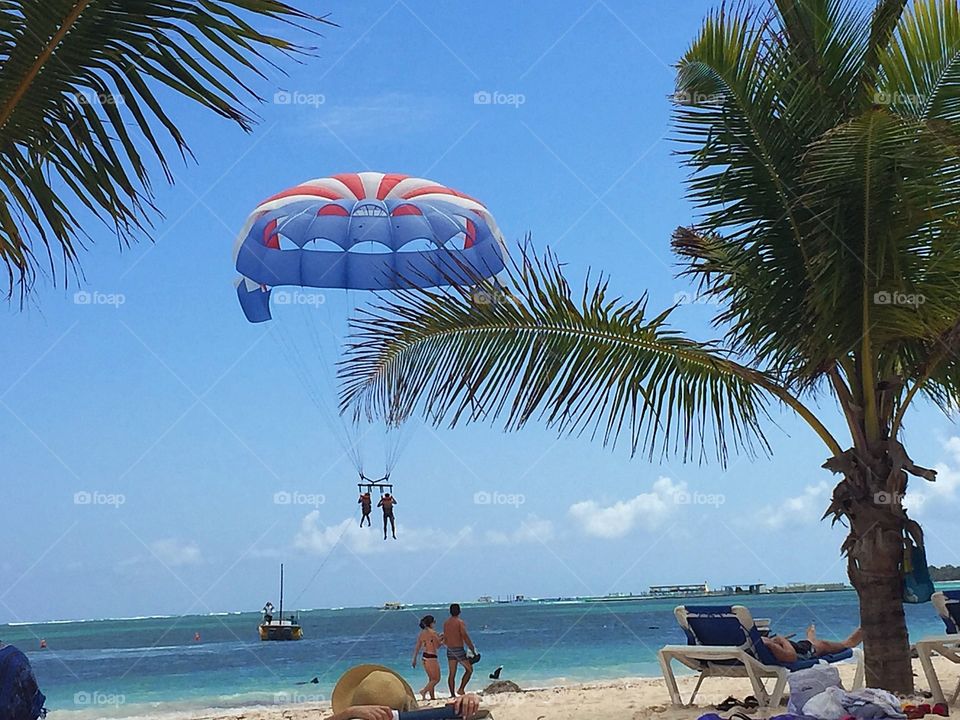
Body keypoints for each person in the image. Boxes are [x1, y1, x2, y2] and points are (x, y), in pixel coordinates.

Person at [762, 623, 863, 663]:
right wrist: (782, 640)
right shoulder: (769, 645)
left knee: (808, 644)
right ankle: (847, 644)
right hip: (804, 653)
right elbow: (791, 657)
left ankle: (810, 639)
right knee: (822, 645)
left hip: (799, 648)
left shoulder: (758, 645)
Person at [443, 603, 476, 697]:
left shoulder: (446, 623)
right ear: (459, 611)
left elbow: (446, 637)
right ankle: (461, 689)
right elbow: (464, 636)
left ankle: (452, 694)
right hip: (459, 649)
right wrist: (471, 648)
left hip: (450, 650)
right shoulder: (460, 622)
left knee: (452, 674)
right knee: (469, 670)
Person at [412, 614, 443, 700]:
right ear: (431, 623)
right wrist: (443, 639)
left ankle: (432, 697)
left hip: (424, 657)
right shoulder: (433, 633)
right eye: (434, 622)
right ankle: (424, 691)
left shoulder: (422, 633)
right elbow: (437, 646)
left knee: (431, 679)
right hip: (431, 657)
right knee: (436, 679)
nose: (435, 624)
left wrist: (414, 659)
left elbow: (418, 647)